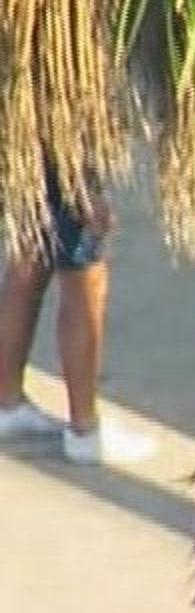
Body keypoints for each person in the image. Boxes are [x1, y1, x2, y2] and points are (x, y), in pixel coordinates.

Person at [0, 165, 156, 465]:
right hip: (67, 154)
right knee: (83, 275)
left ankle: (7, 403)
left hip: (31, 148)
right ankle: (85, 430)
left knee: (31, 253)